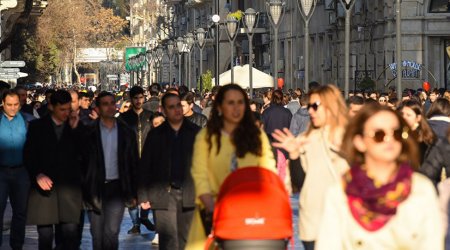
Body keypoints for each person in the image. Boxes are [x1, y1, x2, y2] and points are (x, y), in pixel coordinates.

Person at [316, 104, 443, 250]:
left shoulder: (420, 189)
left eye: (396, 133)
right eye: (379, 135)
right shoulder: (340, 192)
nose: (389, 140)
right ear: (360, 142)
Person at [188, 84, 276, 249]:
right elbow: (200, 178)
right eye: (230, 103)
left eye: (240, 102)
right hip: (213, 216)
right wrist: (213, 210)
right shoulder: (206, 137)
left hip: (249, 217)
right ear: (220, 107)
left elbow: (269, 173)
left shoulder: (257, 137)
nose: (236, 108)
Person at [272, 84, 349, 250]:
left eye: (315, 106)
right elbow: (299, 183)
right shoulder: (304, 140)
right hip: (312, 221)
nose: (310, 111)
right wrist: (294, 155)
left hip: (344, 220)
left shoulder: (350, 138)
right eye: (309, 106)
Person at [138, 93, 200, 250]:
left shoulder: (196, 132)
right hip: (163, 194)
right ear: (163, 110)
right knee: (168, 241)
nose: (177, 110)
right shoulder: (155, 135)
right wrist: (143, 195)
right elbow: (146, 166)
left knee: (189, 240)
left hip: (190, 194)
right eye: (171, 107)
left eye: (178, 105)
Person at [24, 90, 84, 250]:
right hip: (44, 191)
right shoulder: (37, 127)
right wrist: (37, 174)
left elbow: (85, 154)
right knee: (45, 236)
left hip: (69, 190)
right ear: (51, 107)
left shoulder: (76, 127)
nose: (66, 113)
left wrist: (75, 130)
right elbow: (29, 155)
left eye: (68, 109)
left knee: (70, 235)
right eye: (62, 110)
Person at [81, 91, 139, 250]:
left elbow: (133, 163)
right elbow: (82, 162)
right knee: (97, 234)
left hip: (117, 188)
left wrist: (135, 192)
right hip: (94, 187)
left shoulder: (127, 132)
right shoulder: (88, 133)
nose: (109, 107)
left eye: (112, 103)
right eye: (105, 104)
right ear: (98, 108)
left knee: (112, 232)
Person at [118, 86, 155, 234]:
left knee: (148, 193)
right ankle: (136, 224)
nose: (138, 101)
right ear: (131, 99)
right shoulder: (123, 118)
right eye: (135, 98)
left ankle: (144, 217)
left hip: (148, 159)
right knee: (131, 194)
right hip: (129, 160)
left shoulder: (151, 116)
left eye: (141, 97)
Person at [0, 90, 32, 250]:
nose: (12, 108)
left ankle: (17, 245)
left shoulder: (28, 121)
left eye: (16, 105)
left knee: (20, 212)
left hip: (22, 172)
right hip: (1, 173)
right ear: (3, 104)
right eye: (9, 105)